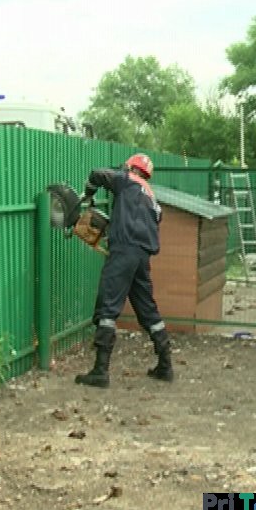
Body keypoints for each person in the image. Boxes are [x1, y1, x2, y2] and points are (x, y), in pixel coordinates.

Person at [74, 152, 173, 389]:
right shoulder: (152, 198)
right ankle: (165, 365)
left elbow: (97, 174)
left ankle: (100, 370)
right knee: (146, 308)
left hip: (123, 252)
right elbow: (152, 220)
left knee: (108, 305)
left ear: (132, 168)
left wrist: (87, 195)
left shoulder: (127, 180)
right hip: (142, 256)